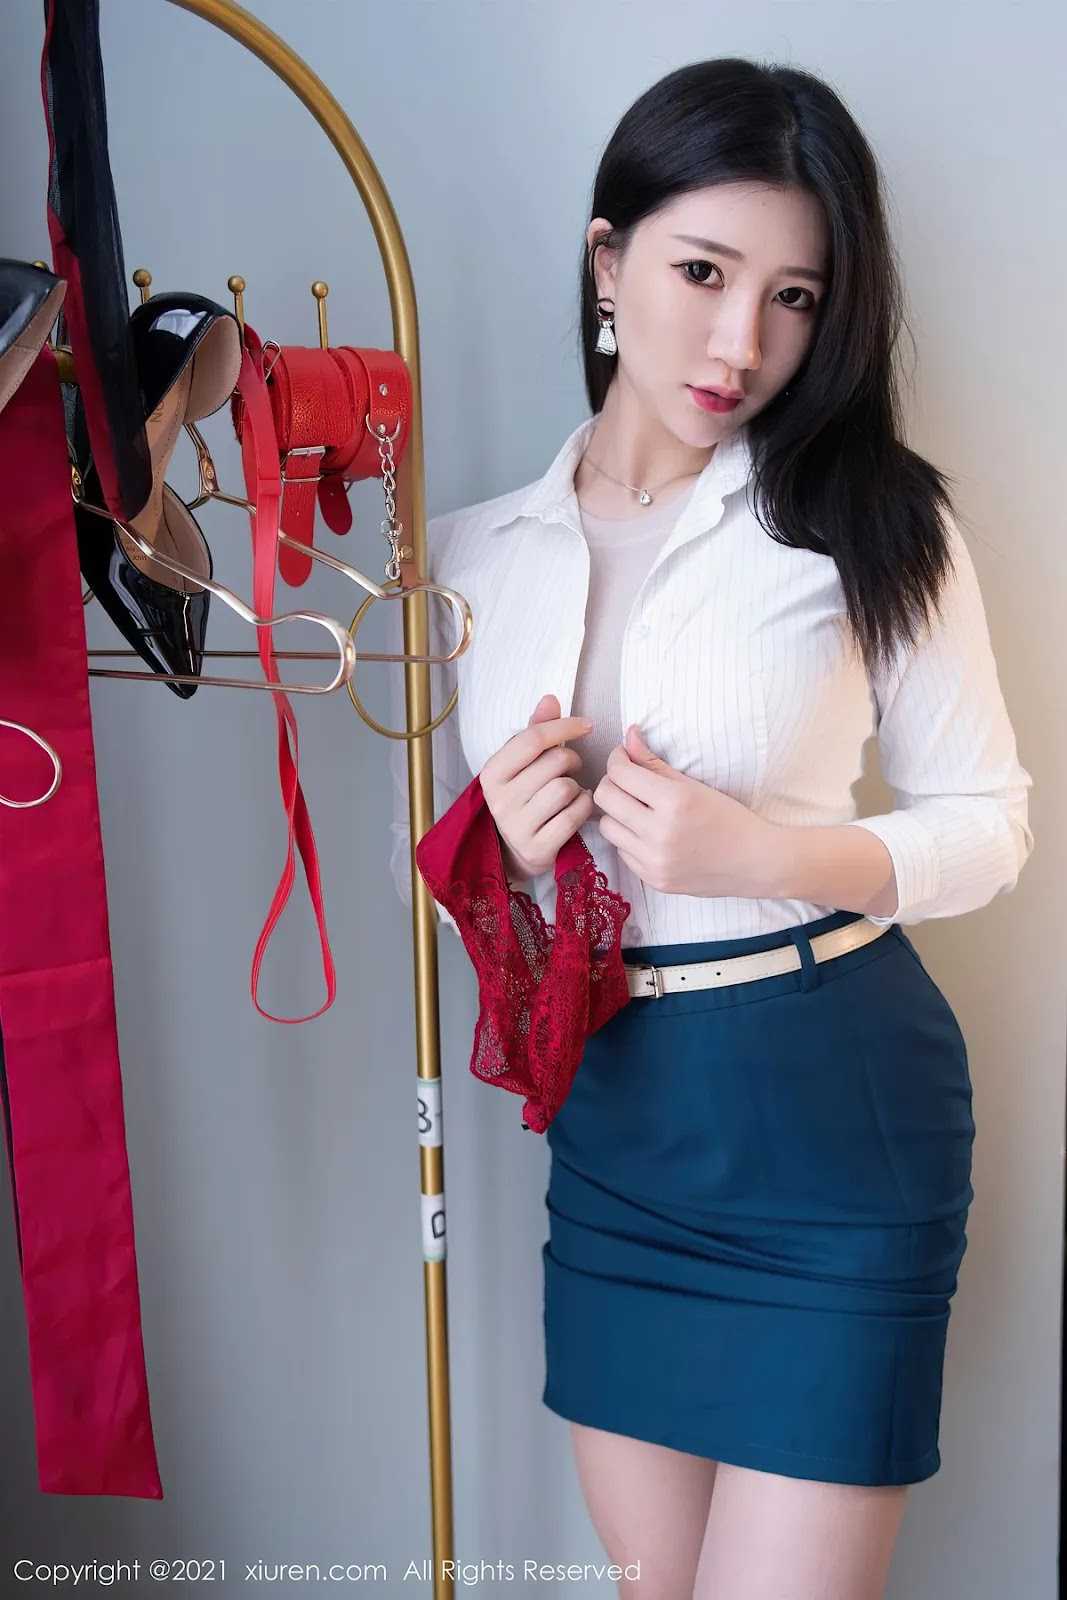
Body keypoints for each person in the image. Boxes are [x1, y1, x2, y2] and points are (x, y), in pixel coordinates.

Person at [390, 56, 1034, 1600]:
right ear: (608, 262)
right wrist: (510, 858)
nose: (743, 342)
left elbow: (991, 825)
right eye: (703, 272)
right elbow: (481, 912)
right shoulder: (468, 558)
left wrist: (761, 856)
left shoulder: (876, 519)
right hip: (618, 1130)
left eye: (795, 297)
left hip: (834, 1118)